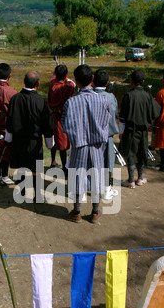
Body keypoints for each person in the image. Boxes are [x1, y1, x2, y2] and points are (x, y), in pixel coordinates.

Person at [61, 64, 111, 224]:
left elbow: (65, 125)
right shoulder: (102, 100)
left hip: (79, 146)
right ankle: (95, 212)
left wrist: (76, 137)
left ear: (76, 81)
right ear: (93, 79)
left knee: (77, 178)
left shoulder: (71, 102)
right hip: (97, 146)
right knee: (96, 177)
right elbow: (106, 122)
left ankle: (76, 212)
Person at [5, 71, 54, 201]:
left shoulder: (15, 99)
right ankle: (38, 196)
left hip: (18, 140)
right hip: (34, 142)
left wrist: (8, 137)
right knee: (36, 169)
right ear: (38, 83)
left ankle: (21, 191)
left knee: (21, 166)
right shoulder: (41, 101)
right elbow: (48, 124)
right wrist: (50, 143)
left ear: (24, 82)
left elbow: (9, 120)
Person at [119, 69, 161, 188]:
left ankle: (131, 180)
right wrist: (150, 123)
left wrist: (121, 132)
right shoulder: (148, 96)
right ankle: (140, 178)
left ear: (131, 81)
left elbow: (122, 117)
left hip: (130, 130)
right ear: (143, 81)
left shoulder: (128, 95)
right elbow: (156, 111)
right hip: (143, 131)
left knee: (131, 154)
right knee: (142, 153)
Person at [93, 69, 119, 200]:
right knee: (108, 162)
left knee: (92, 162)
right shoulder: (110, 97)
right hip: (106, 135)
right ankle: (107, 189)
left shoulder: (89, 96)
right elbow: (113, 115)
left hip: (91, 136)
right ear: (108, 82)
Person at [48, 64, 75, 174]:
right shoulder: (65, 87)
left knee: (54, 140)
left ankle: (53, 161)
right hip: (61, 117)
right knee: (63, 143)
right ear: (65, 76)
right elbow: (72, 85)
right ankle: (64, 166)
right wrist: (67, 79)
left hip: (52, 116)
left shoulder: (52, 84)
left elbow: (55, 78)